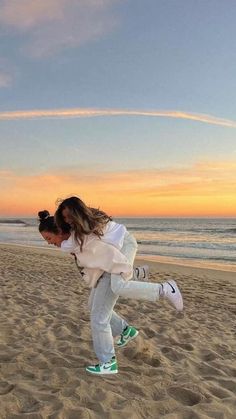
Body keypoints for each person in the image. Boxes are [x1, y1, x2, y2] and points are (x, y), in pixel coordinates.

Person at [39, 198, 183, 375]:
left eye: (48, 238)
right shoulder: (79, 235)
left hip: (124, 247)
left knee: (113, 295)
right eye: (65, 218)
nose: (48, 242)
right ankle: (125, 330)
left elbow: (100, 251)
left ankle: (164, 289)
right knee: (93, 306)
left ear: (60, 229)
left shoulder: (81, 233)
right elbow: (97, 258)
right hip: (112, 258)